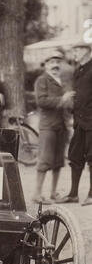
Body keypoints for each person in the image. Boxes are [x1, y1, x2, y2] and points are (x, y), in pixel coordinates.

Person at [32, 50, 73, 204]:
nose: (55, 65)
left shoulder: (62, 81)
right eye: (51, 62)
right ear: (45, 65)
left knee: (58, 161)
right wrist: (62, 100)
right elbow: (41, 101)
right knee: (44, 160)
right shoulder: (41, 81)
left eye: (58, 62)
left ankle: (53, 193)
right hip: (47, 126)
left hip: (61, 125)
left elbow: (67, 103)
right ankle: (36, 194)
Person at [57, 41, 92, 206]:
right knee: (75, 156)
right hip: (79, 121)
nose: (75, 53)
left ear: (87, 51)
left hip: (91, 120)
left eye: (78, 50)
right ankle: (73, 194)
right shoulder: (79, 70)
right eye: (74, 50)